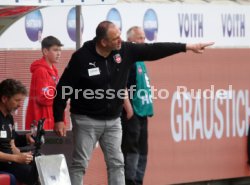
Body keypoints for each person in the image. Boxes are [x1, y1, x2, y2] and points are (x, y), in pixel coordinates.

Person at [53, 20, 214, 185]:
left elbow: (154, 50)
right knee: (80, 164)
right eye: (115, 38)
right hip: (86, 119)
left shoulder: (124, 50)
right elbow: (64, 88)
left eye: (120, 36)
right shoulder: (81, 57)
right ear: (103, 42)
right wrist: (58, 118)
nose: (120, 41)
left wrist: (186, 46)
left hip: (113, 121)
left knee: (117, 163)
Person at [121, 26, 154, 185]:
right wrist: (128, 107)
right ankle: (130, 181)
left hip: (143, 111)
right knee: (131, 149)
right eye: (139, 38)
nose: (143, 41)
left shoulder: (141, 60)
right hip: (132, 112)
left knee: (143, 150)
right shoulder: (129, 60)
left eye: (143, 37)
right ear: (130, 41)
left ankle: (139, 180)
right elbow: (123, 86)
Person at [0, 79, 38, 185]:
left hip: (10, 161)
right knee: (32, 173)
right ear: (4, 98)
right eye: (17, 100)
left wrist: (24, 156)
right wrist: (17, 158)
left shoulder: (9, 118)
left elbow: (12, 145)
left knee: (41, 163)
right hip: (3, 162)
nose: (20, 105)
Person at [26, 35, 66, 131]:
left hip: (51, 119)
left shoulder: (53, 70)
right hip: (43, 122)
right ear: (45, 51)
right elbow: (43, 97)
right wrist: (61, 98)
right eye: (55, 50)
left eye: (60, 50)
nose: (59, 53)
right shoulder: (41, 71)